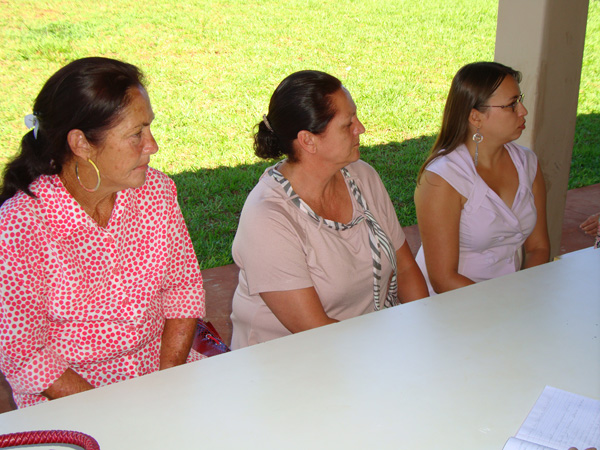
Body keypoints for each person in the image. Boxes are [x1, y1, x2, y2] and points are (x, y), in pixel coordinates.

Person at [0, 57, 206, 408]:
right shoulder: (20, 225)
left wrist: (168, 380)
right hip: (74, 401)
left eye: (149, 128)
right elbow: (24, 353)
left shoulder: (156, 192)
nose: (152, 145)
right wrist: (108, 412)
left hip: (162, 374)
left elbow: (182, 288)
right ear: (81, 144)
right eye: (136, 134)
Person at [230, 70, 428, 349]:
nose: (361, 128)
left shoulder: (362, 176)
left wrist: (424, 329)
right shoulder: (268, 217)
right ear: (308, 140)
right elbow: (315, 330)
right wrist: (391, 349)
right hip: (290, 359)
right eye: (348, 124)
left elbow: (405, 268)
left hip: (366, 346)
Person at [414, 62, 550, 295]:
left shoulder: (528, 164)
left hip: (511, 297)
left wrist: (524, 293)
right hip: (452, 302)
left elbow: (539, 247)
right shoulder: (443, 179)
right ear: (475, 117)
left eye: (520, 100)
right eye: (512, 105)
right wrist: (505, 303)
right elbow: (443, 280)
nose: (523, 111)